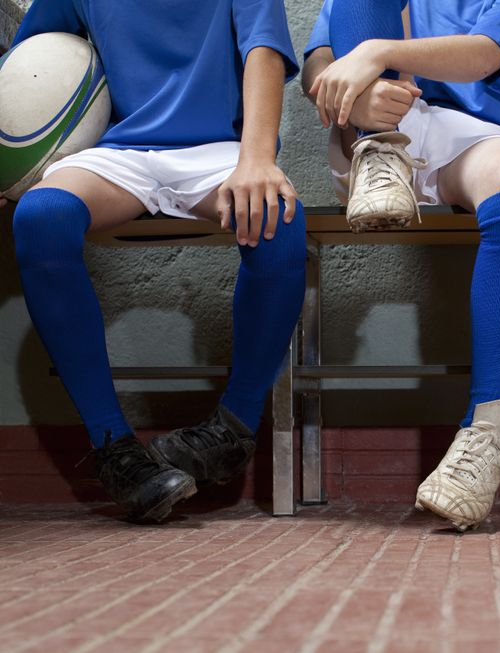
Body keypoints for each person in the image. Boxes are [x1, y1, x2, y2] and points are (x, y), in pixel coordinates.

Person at [2, 0, 305, 522]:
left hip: (220, 149)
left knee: (277, 217)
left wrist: (257, 157)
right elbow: (28, 66)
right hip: (120, 152)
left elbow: (265, 51)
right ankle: (116, 450)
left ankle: (233, 426)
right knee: (40, 216)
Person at [302, 0, 500, 531]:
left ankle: (488, 428)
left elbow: (485, 56)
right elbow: (318, 62)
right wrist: (347, 89)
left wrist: (378, 51)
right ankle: (381, 150)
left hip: (469, 131)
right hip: (368, 129)